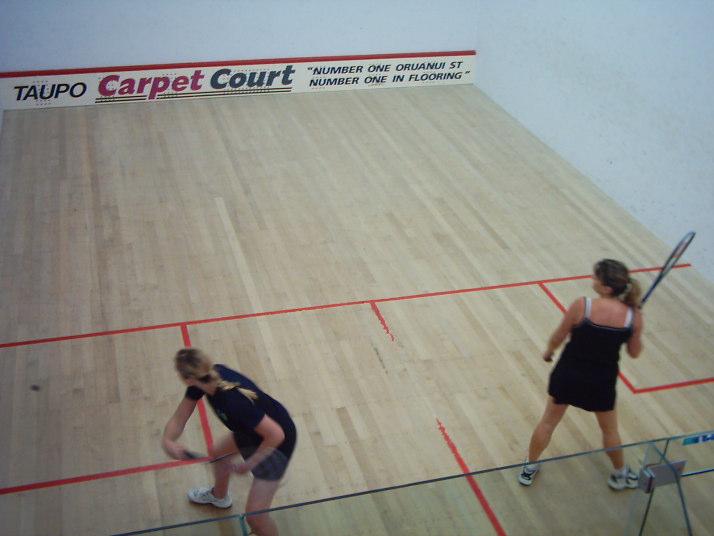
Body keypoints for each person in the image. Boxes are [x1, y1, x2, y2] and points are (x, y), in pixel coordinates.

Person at [519, 259, 644, 490]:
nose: (592, 279)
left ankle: (530, 466)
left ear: (606, 287)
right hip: (600, 382)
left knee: (548, 422)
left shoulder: (582, 305)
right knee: (610, 431)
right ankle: (620, 473)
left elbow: (559, 335)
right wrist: (635, 329)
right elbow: (634, 352)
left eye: (596, 277)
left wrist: (548, 352)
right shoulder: (632, 315)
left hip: (568, 374)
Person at [162, 348, 297, 536]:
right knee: (218, 454)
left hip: (277, 442)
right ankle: (219, 497)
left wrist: (249, 464)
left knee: (255, 518)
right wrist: (168, 441)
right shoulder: (204, 379)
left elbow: (276, 435)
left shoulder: (232, 402)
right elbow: (179, 419)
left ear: (187, 379)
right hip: (251, 430)